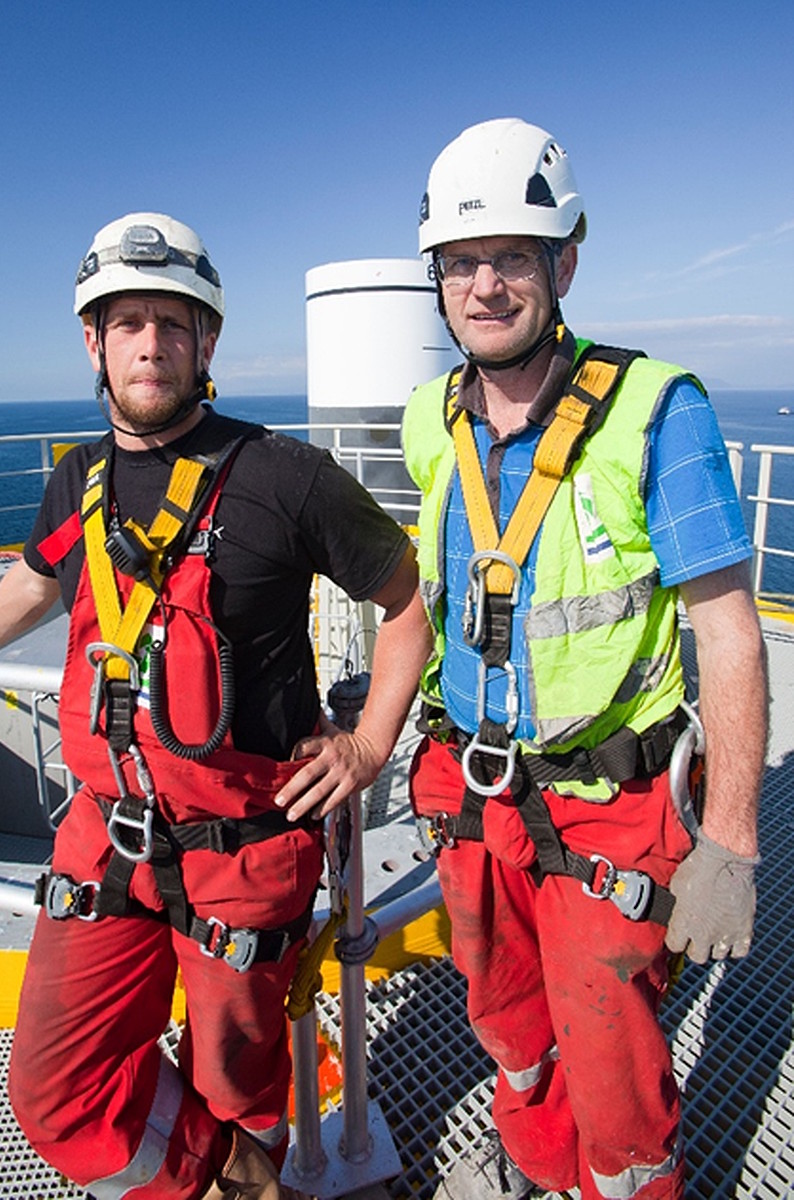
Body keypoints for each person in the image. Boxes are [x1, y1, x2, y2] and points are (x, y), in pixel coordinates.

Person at [0, 212, 431, 1200]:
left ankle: (248, 1161)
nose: (150, 342)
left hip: (244, 846)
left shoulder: (288, 477)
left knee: (238, 1081)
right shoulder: (79, 478)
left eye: (172, 322)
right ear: (94, 342)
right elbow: (38, 576)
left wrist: (369, 747)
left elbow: (406, 602)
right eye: (127, 323)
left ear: (207, 343)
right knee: (56, 1086)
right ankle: (231, 1176)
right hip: (104, 838)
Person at [401, 119, 767, 1200]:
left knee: (611, 1062)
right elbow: (433, 595)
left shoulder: (656, 411)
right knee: (507, 1021)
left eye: (512, 256)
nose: (484, 286)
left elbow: (727, 627)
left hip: (606, 800)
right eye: (460, 264)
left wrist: (733, 844)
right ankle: (535, 1167)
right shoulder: (431, 419)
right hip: (474, 800)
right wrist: (379, 733)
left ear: (564, 261)